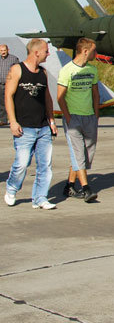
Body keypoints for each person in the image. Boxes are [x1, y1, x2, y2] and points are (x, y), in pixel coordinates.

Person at [4, 39, 58, 210]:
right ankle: (12, 189)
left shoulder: (43, 73)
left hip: (42, 127)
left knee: (45, 165)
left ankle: (40, 198)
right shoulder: (17, 70)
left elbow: (47, 98)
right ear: (36, 52)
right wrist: (13, 121)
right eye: (46, 51)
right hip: (24, 127)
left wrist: (51, 120)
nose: (48, 54)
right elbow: (8, 96)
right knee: (22, 163)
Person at [57, 37, 100, 202]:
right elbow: (60, 97)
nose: (96, 53)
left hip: (89, 117)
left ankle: (69, 185)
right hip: (73, 118)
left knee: (86, 154)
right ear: (85, 51)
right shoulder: (67, 70)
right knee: (78, 153)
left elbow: (95, 93)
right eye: (94, 50)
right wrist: (68, 118)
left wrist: (95, 115)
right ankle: (86, 189)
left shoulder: (92, 70)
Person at [0, 44, 20, 126]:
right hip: (0, 84)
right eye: (1, 51)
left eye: (4, 50)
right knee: (1, 103)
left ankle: (16, 119)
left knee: (13, 101)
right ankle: (3, 120)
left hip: (10, 84)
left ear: (8, 50)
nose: (3, 52)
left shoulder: (14, 59)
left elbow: (18, 70)